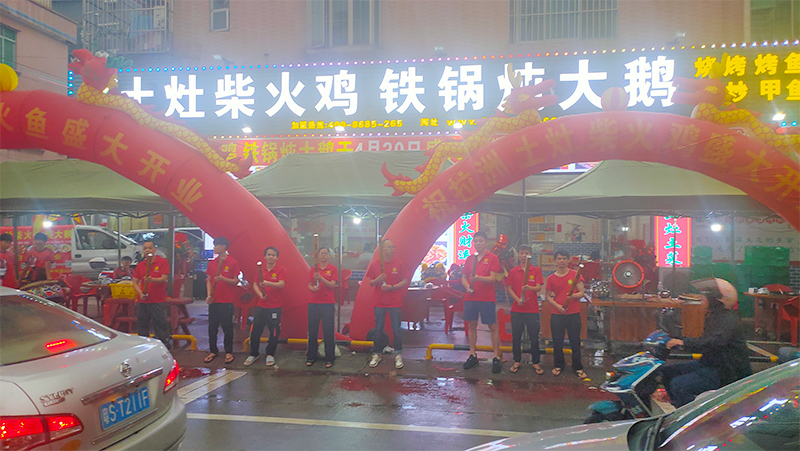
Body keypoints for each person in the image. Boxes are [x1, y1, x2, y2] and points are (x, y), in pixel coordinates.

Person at [661, 278, 752, 407]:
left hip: (726, 371)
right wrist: (674, 337)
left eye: (704, 298)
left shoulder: (727, 320)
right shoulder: (716, 316)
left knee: (679, 385)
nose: (702, 300)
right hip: (711, 364)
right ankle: (676, 404)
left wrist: (684, 343)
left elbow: (713, 342)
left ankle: (689, 413)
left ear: (715, 300)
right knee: (667, 372)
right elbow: (703, 340)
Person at [461, 231, 502, 373]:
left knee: (492, 326)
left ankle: (496, 356)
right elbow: (464, 277)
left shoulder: (493, 258)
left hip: (487, 298)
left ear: (486, 242)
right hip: (471, 298)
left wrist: (478, 278)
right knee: (471, 326)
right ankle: (473, 354)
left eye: (480, 241)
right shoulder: (470, 259)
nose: (477, 243)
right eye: (475, 241)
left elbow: (492, 278)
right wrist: (467, 287)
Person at [365, 239, 409, 369]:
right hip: (380, 302)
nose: (391, 249)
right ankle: (377, 353)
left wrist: (392, 287)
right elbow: (371, 283)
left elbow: (405, 281)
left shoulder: (399, 264)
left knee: (397, 330)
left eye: (392, 247)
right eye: (388, 247)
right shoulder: (376, 264)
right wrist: (378, 279)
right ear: (382, 249)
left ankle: (398, 354)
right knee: (378, 329)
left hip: (395, 302)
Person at [545, 250, 586, 379]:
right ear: (555, 260)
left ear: (568, 260)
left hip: (573, 314)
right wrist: (557, 306)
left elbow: (582, 292)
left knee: (575, 341)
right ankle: (558, 365)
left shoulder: (576, 275)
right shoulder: (551, 278)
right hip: (557, 314)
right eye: (559, 258)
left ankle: (577, 367)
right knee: (557, 341)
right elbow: (547, 297)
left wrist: (574, 296)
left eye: (564, 258)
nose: (561, 261)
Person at [504, 244, 544, 375]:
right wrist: (517, 299)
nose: (524, 256)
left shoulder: (535, 270)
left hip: (532, 310)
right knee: (516, 336)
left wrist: (529, 288)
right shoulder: (513, 271)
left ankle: (536, 362)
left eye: (526, 253)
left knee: (534, 337)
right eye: (521, 253)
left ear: (530, 255)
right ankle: (517, 361)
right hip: (517, 309)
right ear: (518, 255)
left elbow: (538, 287)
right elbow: (509, 287)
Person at [246, 246, 287, 367]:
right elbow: (255, 284)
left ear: (277, 257)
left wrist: (268, 283)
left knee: (273, 331)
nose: (271, 257)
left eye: (273, 255)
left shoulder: (281, 269)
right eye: (269, 255)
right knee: (255, 330)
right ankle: (254, 353)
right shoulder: (260, 270)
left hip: (275, 306)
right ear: (265, 256)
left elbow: (281, 284)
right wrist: (260, 295)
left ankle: (270, 354)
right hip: (261, 305)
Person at [205, 237, 240, 365]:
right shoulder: (212, 263)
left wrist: (224, 279)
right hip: (214, 300)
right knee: (212, 327)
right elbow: (209, 280)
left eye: (216, 245)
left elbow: (236, 280)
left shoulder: (233, 262)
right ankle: (213, 351)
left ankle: (229, 352)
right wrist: (209, 295)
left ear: (224, 247)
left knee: (227, 327)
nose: (214, 248)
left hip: (227, 301)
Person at [132, 240, 171, 348]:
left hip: (157, 299)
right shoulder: (140, 265)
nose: (147, 250)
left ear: (154, 249)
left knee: (160, 323)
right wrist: (140, 293)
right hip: (143, 300)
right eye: (145, 248)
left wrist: (152, 279)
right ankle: (143, 345)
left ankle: (163, 344)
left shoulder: (162, 262)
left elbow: (164, 278)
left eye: (150, 248)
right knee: (142, 324)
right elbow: (135, 282)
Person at [306, 247, 338, 368]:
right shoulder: (313, 269)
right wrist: (312, 288)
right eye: (321, 253)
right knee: (312, 330)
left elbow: (332, 285)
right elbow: (309, 284)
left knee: (328, 331)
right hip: (313, 303)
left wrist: (321, 279)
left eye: (325, 253)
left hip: (327, 303)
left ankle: (330, 358)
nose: (323, 255)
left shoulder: (333, 269)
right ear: (318, 256)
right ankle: (311, 356)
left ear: (329, 256)